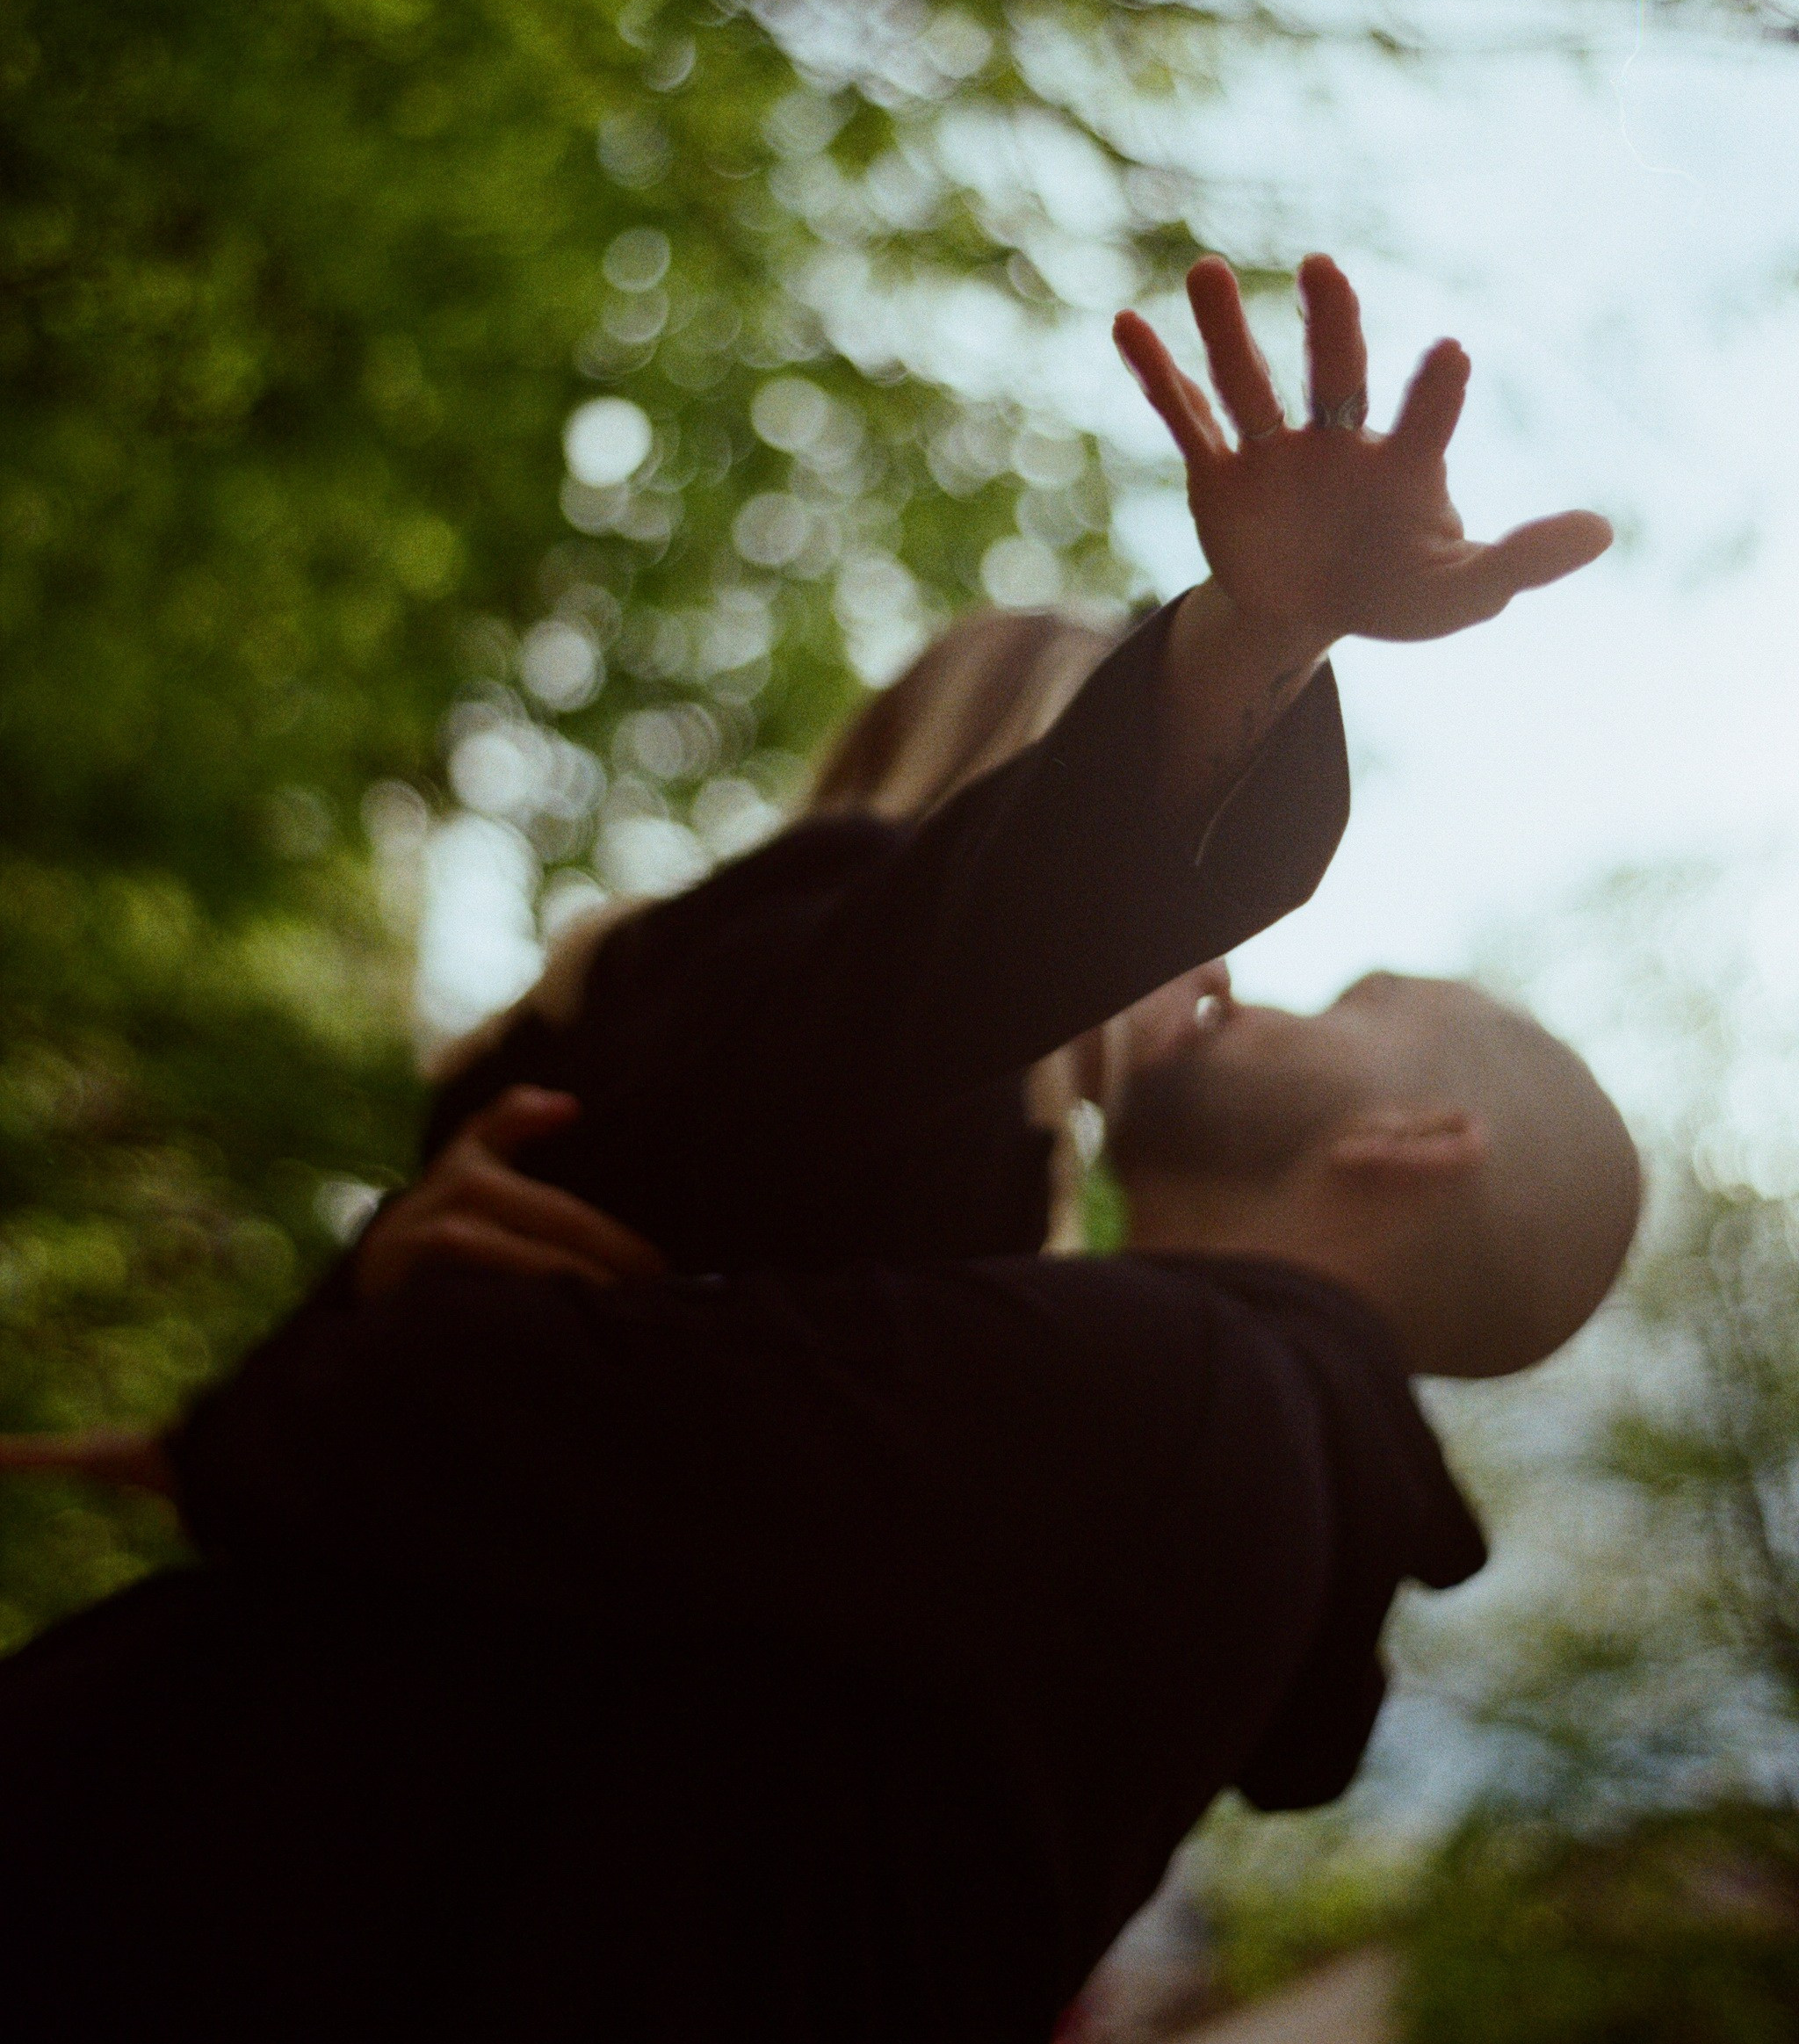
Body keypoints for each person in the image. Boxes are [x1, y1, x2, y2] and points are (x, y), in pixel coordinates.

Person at [0, 255, 1618, 2037]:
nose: (1218, 984)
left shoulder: (1157, 1384)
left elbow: (438, 1421)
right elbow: (912, 985)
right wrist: (1246, 650)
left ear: (1415, 1142)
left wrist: (328, 1367)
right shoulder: (929, 1088)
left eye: (1297, 982)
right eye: (1176, 945)